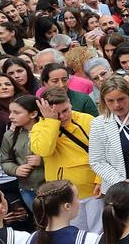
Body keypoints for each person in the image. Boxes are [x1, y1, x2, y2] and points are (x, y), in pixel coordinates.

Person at [29, 90, 101, 233]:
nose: (62, 116)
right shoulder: (39, 127)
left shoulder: (87, 120)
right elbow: (44, 150)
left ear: (69, 103)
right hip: (64, 193)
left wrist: (100, 179)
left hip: (93, 189)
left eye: (65, 110)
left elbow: (104, 150)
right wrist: (51, 122)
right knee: (73, 232)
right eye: (56, 114)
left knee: (99, 232)